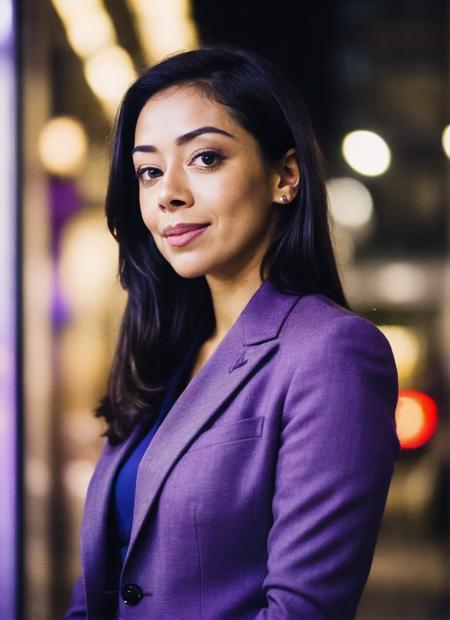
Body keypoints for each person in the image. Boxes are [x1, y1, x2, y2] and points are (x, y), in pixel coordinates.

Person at [65, 46, 400, 619]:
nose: (168, 192)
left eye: (205, 159)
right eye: (149, 170)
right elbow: (101, 585)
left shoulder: (332, 353)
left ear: (284, 177)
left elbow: (302, 611)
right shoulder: (164, 352)